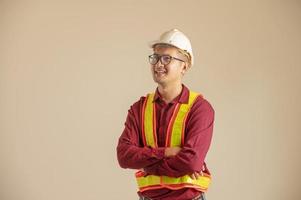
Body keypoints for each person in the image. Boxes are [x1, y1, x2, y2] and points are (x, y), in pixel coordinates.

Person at [116, 29, 215, 200]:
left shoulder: (200, 108)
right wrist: (167, 152)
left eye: (167, 58)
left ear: (184, 65)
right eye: (155, 57)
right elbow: (124, 156)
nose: (158, 64)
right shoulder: (139, 109)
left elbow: (191, 162)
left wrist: (147, 165)